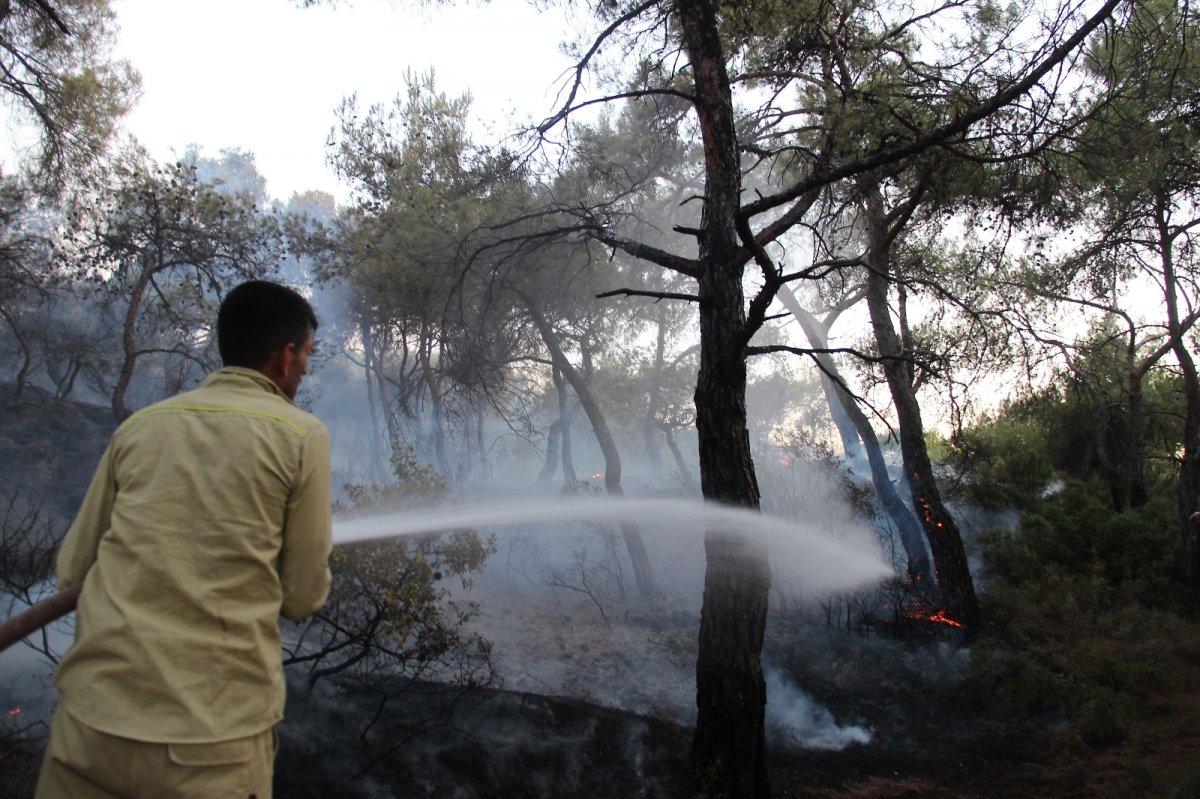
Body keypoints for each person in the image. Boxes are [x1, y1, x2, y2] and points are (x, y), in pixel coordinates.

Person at [36, 280, 333, 799]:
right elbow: (302, 596)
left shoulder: (142, 427)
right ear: (285, 356)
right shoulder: (301, 435)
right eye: (307, 355)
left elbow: (74, 570)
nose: (305, 369)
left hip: (89, 728)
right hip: (208, 747)